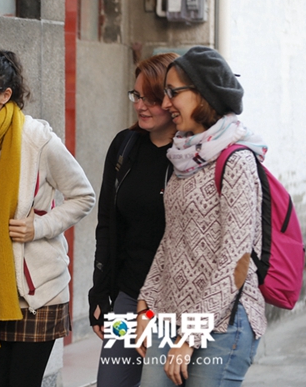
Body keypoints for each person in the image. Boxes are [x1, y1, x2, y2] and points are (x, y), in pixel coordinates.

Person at [0, 50, 95, 387]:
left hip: (38, 292)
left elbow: (83, 196)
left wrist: (39, 227)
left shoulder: (38, 141)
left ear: (5, 94)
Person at [135, 46, 267, 386]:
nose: (166, 104)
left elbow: (234, 261)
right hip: (169, 316)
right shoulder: (184, 157)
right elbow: (171, 240)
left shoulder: (236, 162)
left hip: (222, 324)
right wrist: (144, 306)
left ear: (203, 94)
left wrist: (190, 337)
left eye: (173, 93)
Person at [88, 52, 179, 386]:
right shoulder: (124, 146)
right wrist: (100, 293)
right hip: (127, 294)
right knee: (111, 380)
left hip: (171, 302)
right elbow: (107, 225)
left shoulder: (189, 156)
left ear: (172, 101)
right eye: (136, 95)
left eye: (151, 99)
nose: (140, 105)